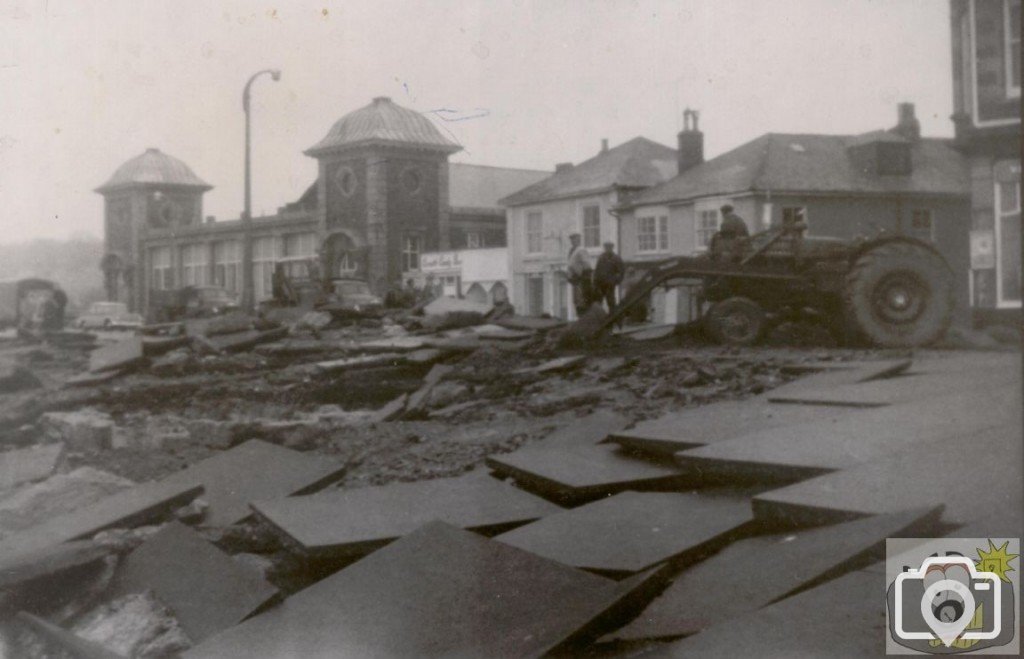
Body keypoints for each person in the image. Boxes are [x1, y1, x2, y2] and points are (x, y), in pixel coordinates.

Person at [566, 233, 593, 315]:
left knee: (582, 298)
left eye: (575, 239)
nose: (573, 241)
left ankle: (584, 316)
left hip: (581, 277)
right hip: (574, 278)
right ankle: (580, 316)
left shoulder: (581, 250)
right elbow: (570, 264)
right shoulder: (571, 251)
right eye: (572, 239)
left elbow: (586, 264)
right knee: (576, 299)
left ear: (579, 240)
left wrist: (583, 275)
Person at [593, 242, 624, 313]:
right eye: (606, 247)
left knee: (611, 302)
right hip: (600, 284)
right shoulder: (601, 258)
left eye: (609, 247)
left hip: (610, 285)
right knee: (598, 302)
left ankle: (613, 319)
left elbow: (621, 272)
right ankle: (599, 320)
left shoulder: (616, 259)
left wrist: (615, 281)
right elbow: (597, 270)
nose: (607, 249)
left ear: (612, 248)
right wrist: (595, 283)